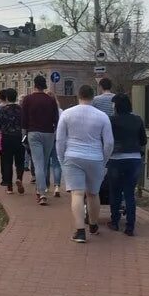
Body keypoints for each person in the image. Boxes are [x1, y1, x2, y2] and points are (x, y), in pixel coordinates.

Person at [56, 84, 113, 243]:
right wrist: (104, 159)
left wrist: (62, 158)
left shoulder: (67, 114)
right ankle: (93, 225)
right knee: (93, 193)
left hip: (72, 156)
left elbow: (60, 140)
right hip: (95, 157)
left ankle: (80, 231)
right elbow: (109, 142)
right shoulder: (102, 116)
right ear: (93, 97)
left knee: (77, 193)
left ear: (78, 96)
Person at [108, 94, 147, 236]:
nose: (112, 107)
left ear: (117, 106)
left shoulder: (111, 120)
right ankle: (130, 226)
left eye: (113, 105)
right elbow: (143, 141)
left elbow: (106, 139)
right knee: (130, 192)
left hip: (116, 159)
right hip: (134, 159)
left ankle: (115, 221)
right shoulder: (137, 119)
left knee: (115, 192)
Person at [21, 74, 61, 205]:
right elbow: (56, 119)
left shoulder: (28, 99)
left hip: (33, 133)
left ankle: (42, 193)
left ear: (34, 85)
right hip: (49, 133)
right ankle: (40, 190)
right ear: (44, 85)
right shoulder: (50, 100)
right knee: (44, 163)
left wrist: (25, 133)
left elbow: (24, 119)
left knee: (38, 163)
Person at [0, 88, 26, 195]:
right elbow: (26, 124)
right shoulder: (21, 109)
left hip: (6, 138)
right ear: (15, 97)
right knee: (20, 161)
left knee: (7, 162)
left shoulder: (3, 110)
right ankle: (19, 178)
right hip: (19, 138)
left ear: (7, 98)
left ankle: (9, 187)